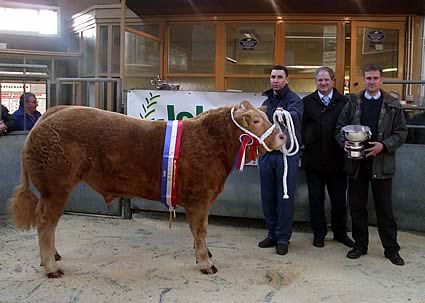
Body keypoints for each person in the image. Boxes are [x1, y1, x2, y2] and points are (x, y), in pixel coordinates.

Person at [335, 64, 407, 266]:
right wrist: (347, 144)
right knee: (357, 207)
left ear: (381, 80)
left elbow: (401, 133)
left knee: (385, 210)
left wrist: (383, 146)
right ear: (364, 80)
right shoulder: (353, 102)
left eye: (375, 78)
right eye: (368, 78)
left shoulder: (393, 104)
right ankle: (360, 246)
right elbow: (340, 129)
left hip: (381, 164)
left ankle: (391, 250)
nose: (372, 81)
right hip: (357, 164)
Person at [302, 67, 354, 248]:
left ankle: (340, 233)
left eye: (326, 80)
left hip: (338, 160)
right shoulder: (307, 102)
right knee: (316, 200)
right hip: (314, 160)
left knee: (339, 200)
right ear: (315, 82)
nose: (323, 83)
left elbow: (350, 127)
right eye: (319, 80)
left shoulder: (345, 102)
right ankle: (319, 234)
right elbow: (301, 128)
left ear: (333, 81)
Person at [258, 65, 303, 255]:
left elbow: (295, 115)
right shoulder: (266, 101)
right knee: (268, 196)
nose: (275, 80)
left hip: (286, 156)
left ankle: (283, 238)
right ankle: (272, 234)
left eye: (279, 77)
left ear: (287, 79)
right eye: (272, 77)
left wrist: (283, 115)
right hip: (267, 155)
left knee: (284, 198)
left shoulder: (294, 101)